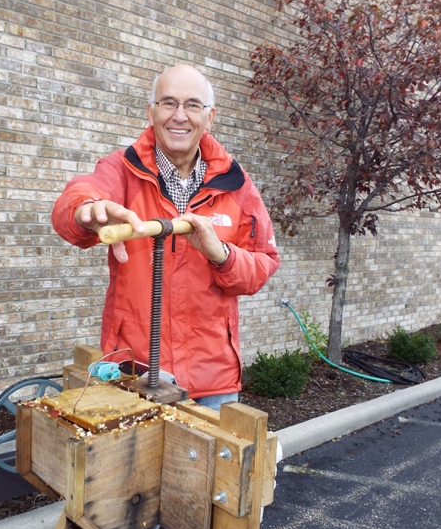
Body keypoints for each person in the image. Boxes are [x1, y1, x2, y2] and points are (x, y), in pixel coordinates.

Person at [52, 64, 280, 410]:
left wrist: (221, 255)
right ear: (151, 111)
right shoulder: (122, 169)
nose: (179, 116)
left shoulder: (236, 184)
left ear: (210, 117)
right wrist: (84, 210)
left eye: (192, 105)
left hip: (211, 379)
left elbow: (262, 265)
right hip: (134, 371)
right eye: (168, 103)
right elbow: (81, 195)